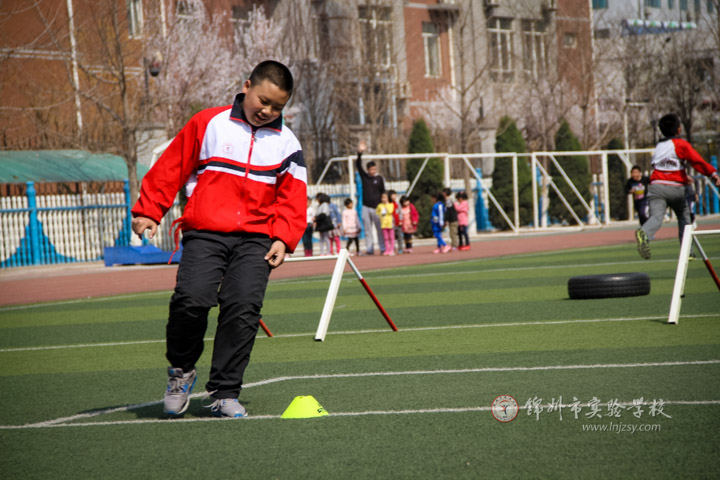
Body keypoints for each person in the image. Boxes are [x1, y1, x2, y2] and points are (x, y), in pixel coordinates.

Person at [131, 61, 307, 419]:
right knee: (191, 300)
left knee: (243, 307)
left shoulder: (287, 143)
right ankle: (181, 371)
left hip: (257, 239)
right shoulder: (208, 123)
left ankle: (225, 392)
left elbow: (293, 196)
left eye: (277, 107)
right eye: (263, 100)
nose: (267, 110)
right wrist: (150, 209)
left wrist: (284, 238)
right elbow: (171, 167)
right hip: (206, 233)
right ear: (246, 86)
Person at [635, 113, 720, 260]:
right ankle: (687, 251)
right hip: (674, 189)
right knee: (684, 216)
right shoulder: (681, 144)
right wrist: (712, 174)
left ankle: (645, 232)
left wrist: (683, 176)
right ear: (679, 130)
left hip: (655, 187)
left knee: (656, 217)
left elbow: (664, 167)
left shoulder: (659, 146)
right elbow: (697, 161)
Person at [355, 140, 386, 255]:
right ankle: (370, 248)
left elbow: (383, 192)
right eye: (371, 169)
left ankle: (383, 248)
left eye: (374, 169)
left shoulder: (379, 178)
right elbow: (358, 165)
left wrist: (384, 205)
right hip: (366, 206)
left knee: (379, 229)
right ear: (368, 170)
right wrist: (359, 153)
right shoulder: (365, 177)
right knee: (367, 230)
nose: (373, 171)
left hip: (377, 207)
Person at [376, 191, 395, 256]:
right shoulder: (380, 205)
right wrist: (380, 214)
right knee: (386, 238)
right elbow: (377, 212)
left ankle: (392, 249)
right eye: (382, 197)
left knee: (391, 237)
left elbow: (390, 211)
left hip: (390, 224)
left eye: (385, 198)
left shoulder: (391, 204)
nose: (383, 199)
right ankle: (387, 249)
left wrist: (386, 204)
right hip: (383, 224)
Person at [389, 189, 404, 254]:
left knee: (400, 237)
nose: (395, 196)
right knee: (392, 238)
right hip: (391, 225)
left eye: (395, 195)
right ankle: (392, 248)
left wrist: (400, 220)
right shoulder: (389, 204)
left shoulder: (397, 204)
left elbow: (400, 212)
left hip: (398, 224)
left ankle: (400, 248)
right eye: (393, 195)